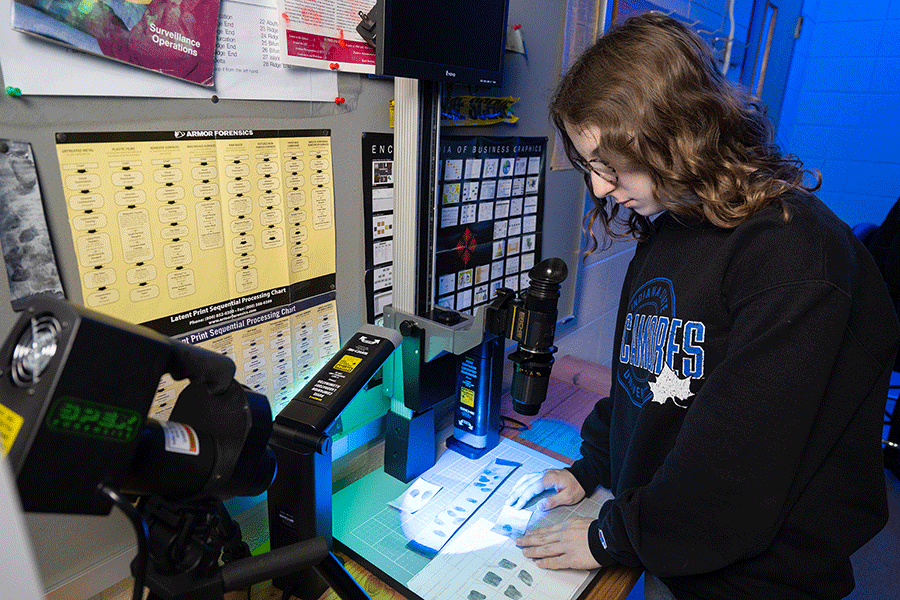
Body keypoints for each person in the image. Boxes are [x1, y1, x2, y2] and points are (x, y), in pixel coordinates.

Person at [506, 11, 900, 600]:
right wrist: (592, 470)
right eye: (591, 167)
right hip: (670, 542)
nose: (599, 189)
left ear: (679, 134)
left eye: (612, 167)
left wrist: (608, 538)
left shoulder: (795, 260)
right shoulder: (675, 224)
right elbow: (648, 386)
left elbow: (736, 478)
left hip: (756, 578)